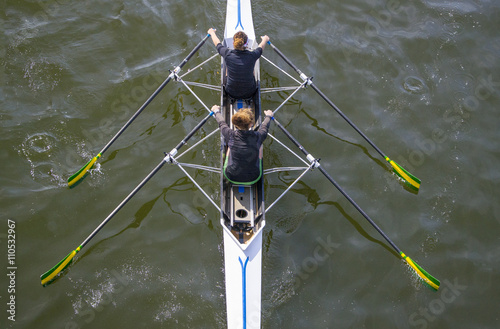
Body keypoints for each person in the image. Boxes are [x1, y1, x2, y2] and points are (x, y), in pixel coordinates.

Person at [212, 105, 273, 184]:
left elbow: (221, 123)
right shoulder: (258, 136)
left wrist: (216, 111)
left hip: (231, 176)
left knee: (230, 145)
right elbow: (265, 126)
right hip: (254, 178)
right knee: (260, 145)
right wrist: (268, 115)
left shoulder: (230, 134)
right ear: (251, 124)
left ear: (235, 124)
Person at [208, 28, 270, 100]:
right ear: (246, 44)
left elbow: (217, 44)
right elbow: (261, 47)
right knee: (251, 67)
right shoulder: (253, 55)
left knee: (229, 66)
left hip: (230, 92)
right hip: (250, 93)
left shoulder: (227, 54)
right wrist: (265, 39)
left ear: (233, 43)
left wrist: (212, 33)